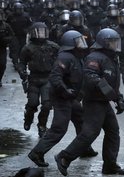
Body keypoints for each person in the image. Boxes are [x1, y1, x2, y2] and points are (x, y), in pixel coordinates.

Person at [54, 28, 124, 176]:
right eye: (111, 43)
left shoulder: (112, 57)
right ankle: (64, 157)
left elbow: (112, 82)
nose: (115, 45)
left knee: (113, 132)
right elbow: (91, 76)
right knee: (90, 133)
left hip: (103, 102)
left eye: (115, 42)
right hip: (93, 102)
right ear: (103, 43)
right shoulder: (94, 57)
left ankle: (110, 165)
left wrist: (118, 97)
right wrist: (112, 95)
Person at [28, 30, 97, 168]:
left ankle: (84, 148)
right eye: (78, 41)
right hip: (61, 98)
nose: (81, 44)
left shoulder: (77, 56)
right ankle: (37, 152)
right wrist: (65, 90)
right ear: (70, 43)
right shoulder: (65, 57)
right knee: (59, 129)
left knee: (81, 120)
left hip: (70, 98)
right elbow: (55, 77)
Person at [17, 22, 60, 137]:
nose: (41, 35)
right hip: (34, 79)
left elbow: (61, 58)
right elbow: (21, 62)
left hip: (48, 79)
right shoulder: (28, 48)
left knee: (46, 105)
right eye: (38, 32)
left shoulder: (53, 46)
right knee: (32, 103)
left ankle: (42, 125)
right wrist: (22, 72)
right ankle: (28, 118)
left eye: (43, 32)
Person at [0, 9, 14, 87]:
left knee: (2, 64)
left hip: (2, 48)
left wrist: (6, 40)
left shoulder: (6, 25)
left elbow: (12, 35)